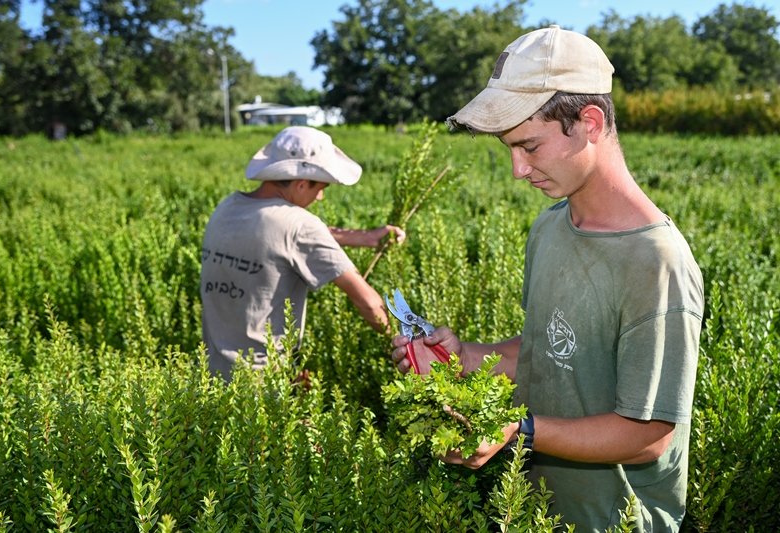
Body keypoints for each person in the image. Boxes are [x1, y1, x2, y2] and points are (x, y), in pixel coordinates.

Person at [391, 25, 703, 532]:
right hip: (538, 510)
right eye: (508, 148)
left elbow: (649, 435)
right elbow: (553, 348)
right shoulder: (551, 226)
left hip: (615, 520)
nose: (517, 169)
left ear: (590, 122)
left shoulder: (657, 262)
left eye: (529, 146)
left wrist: (519, 431)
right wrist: (466, 355)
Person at [202, 125, 404, 381]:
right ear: (300, 184)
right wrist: (400, 343)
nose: (320, 197)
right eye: (320, 188)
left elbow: (282, 238)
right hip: (264, 387)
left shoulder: (227, 207)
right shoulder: (300, 226)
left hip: (213, 376)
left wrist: (364, 237)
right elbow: (368, 302)